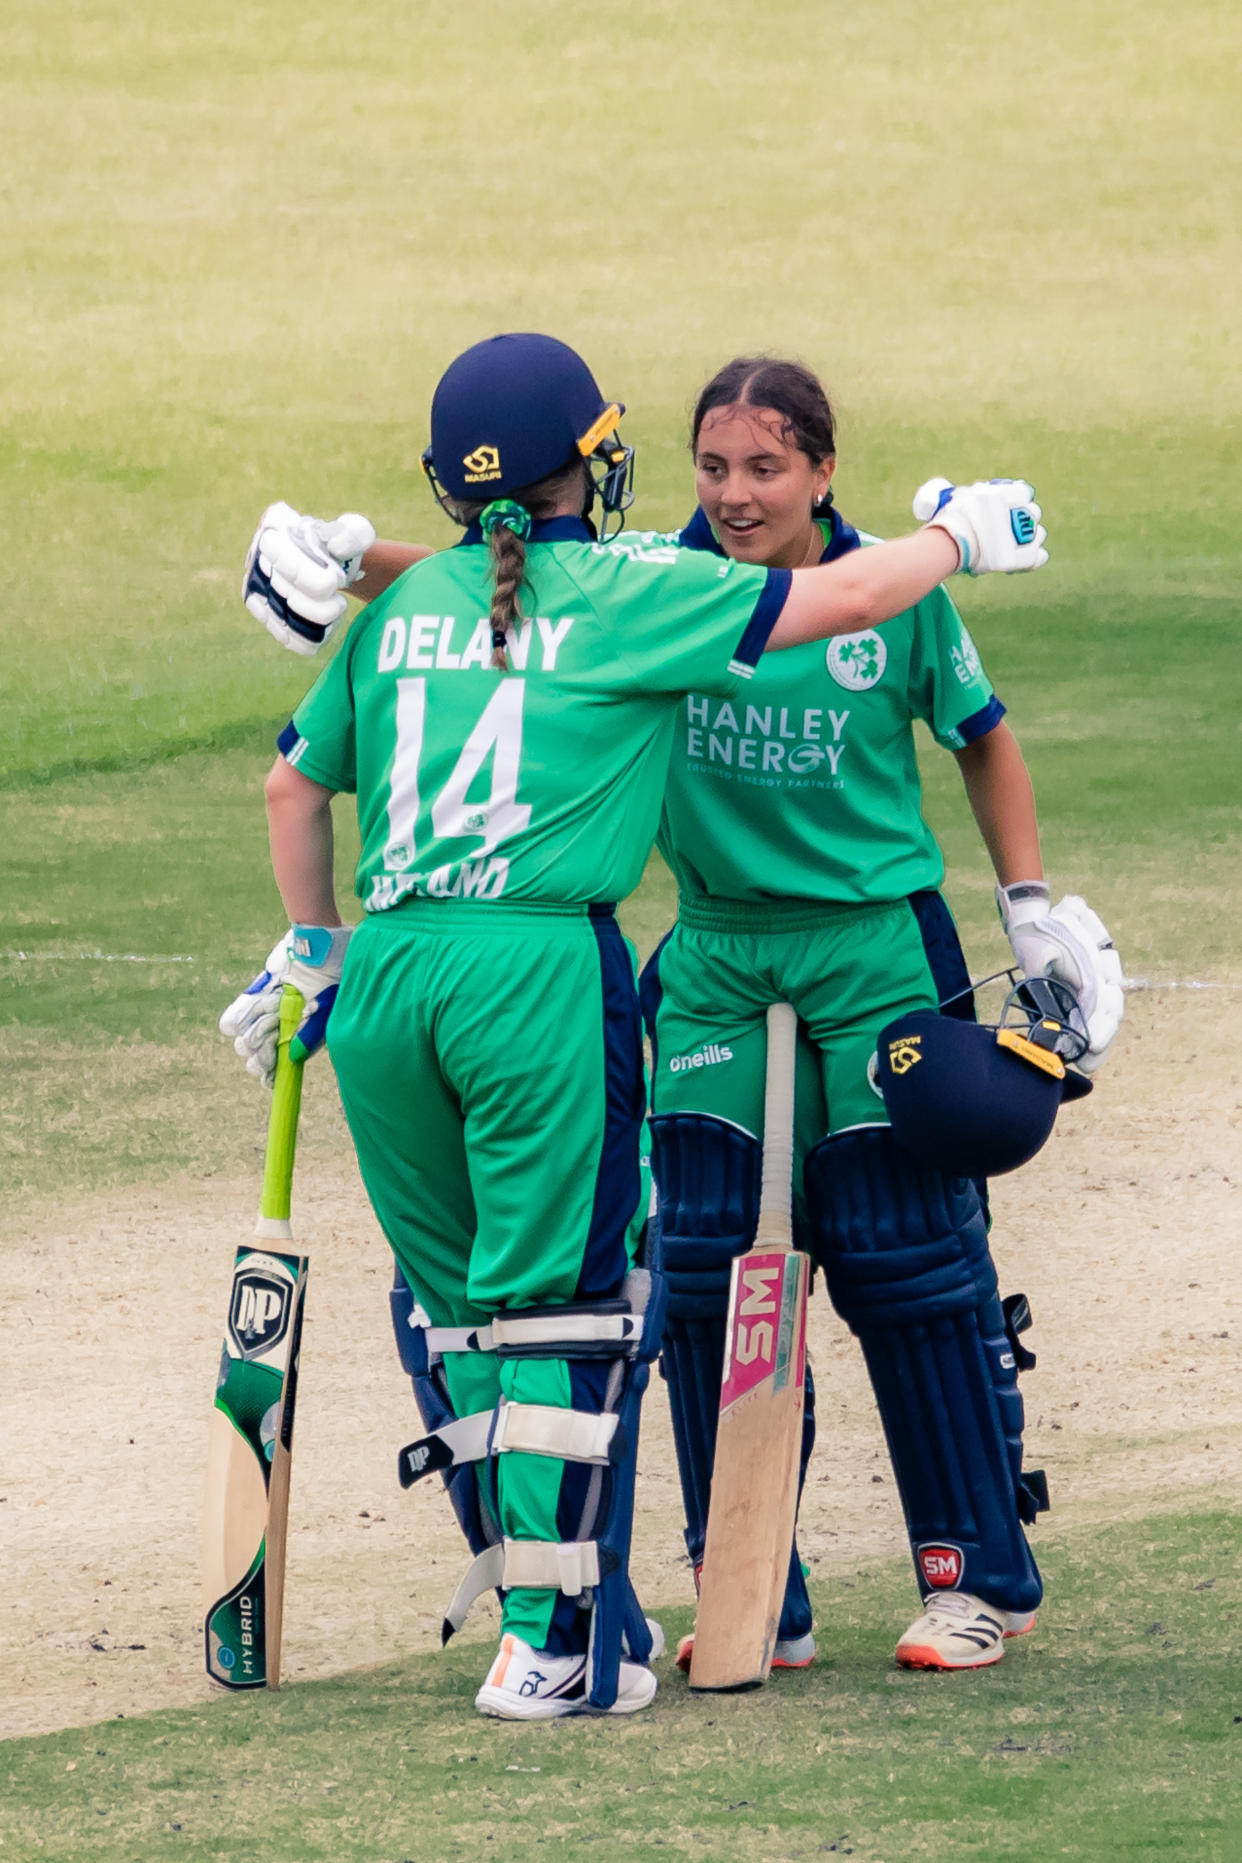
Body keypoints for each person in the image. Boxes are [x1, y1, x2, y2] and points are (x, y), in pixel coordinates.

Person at [220, 332, 1050, 1719]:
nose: (730, 488)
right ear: (595, 461)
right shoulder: (634, 589)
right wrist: (957, 534)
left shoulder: (441, 596)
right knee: (618, 1298)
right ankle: (603, 1625)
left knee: (495, 1312)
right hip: (589, 967)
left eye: (761, 465)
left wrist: (313, 948)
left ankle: (608, 1610)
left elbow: (311, 772)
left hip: (419, 976)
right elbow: (816, 594)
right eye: (707, 463)